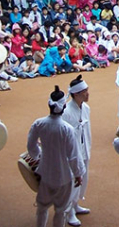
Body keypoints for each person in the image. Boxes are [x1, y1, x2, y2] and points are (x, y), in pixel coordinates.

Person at [27, 86, 85, 227]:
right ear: (64, 106)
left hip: (45, 172)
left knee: (42, 207)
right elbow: (73, 156)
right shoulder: (67, 129)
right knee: (61, 210)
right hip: (63, 175)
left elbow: (31, 146)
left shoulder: (39, 123)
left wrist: (37, 155)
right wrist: (78, 173)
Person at [62, 75, 92, 226]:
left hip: (84, 148)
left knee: (83, 177)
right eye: (84, 91)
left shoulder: (86, 108)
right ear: (75, 94)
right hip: (72, 153)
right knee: (73, 179)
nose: (87, 93)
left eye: (87, 90)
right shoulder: (66, 112)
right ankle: (69, 212)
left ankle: (75, 204)